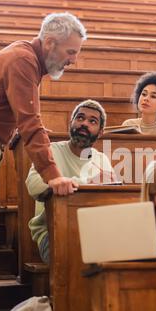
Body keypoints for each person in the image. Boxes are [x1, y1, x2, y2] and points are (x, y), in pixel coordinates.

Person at [0, 12, 86, 259]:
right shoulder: (23, 59)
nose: (73, 60)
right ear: (50, 42)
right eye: (71, 52)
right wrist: (53, 176)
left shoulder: (27, 59)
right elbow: (30, 122)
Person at [26, 99, 116, 264]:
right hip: (52, 233)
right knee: (83, 257)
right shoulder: (51, 151)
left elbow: (112, 200)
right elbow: (33, 185)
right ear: (71, 122)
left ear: (100, 132)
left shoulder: (102, 159)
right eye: (80, 118)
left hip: (93, 232)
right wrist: (85, 183)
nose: (84, 124)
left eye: (92, 121)